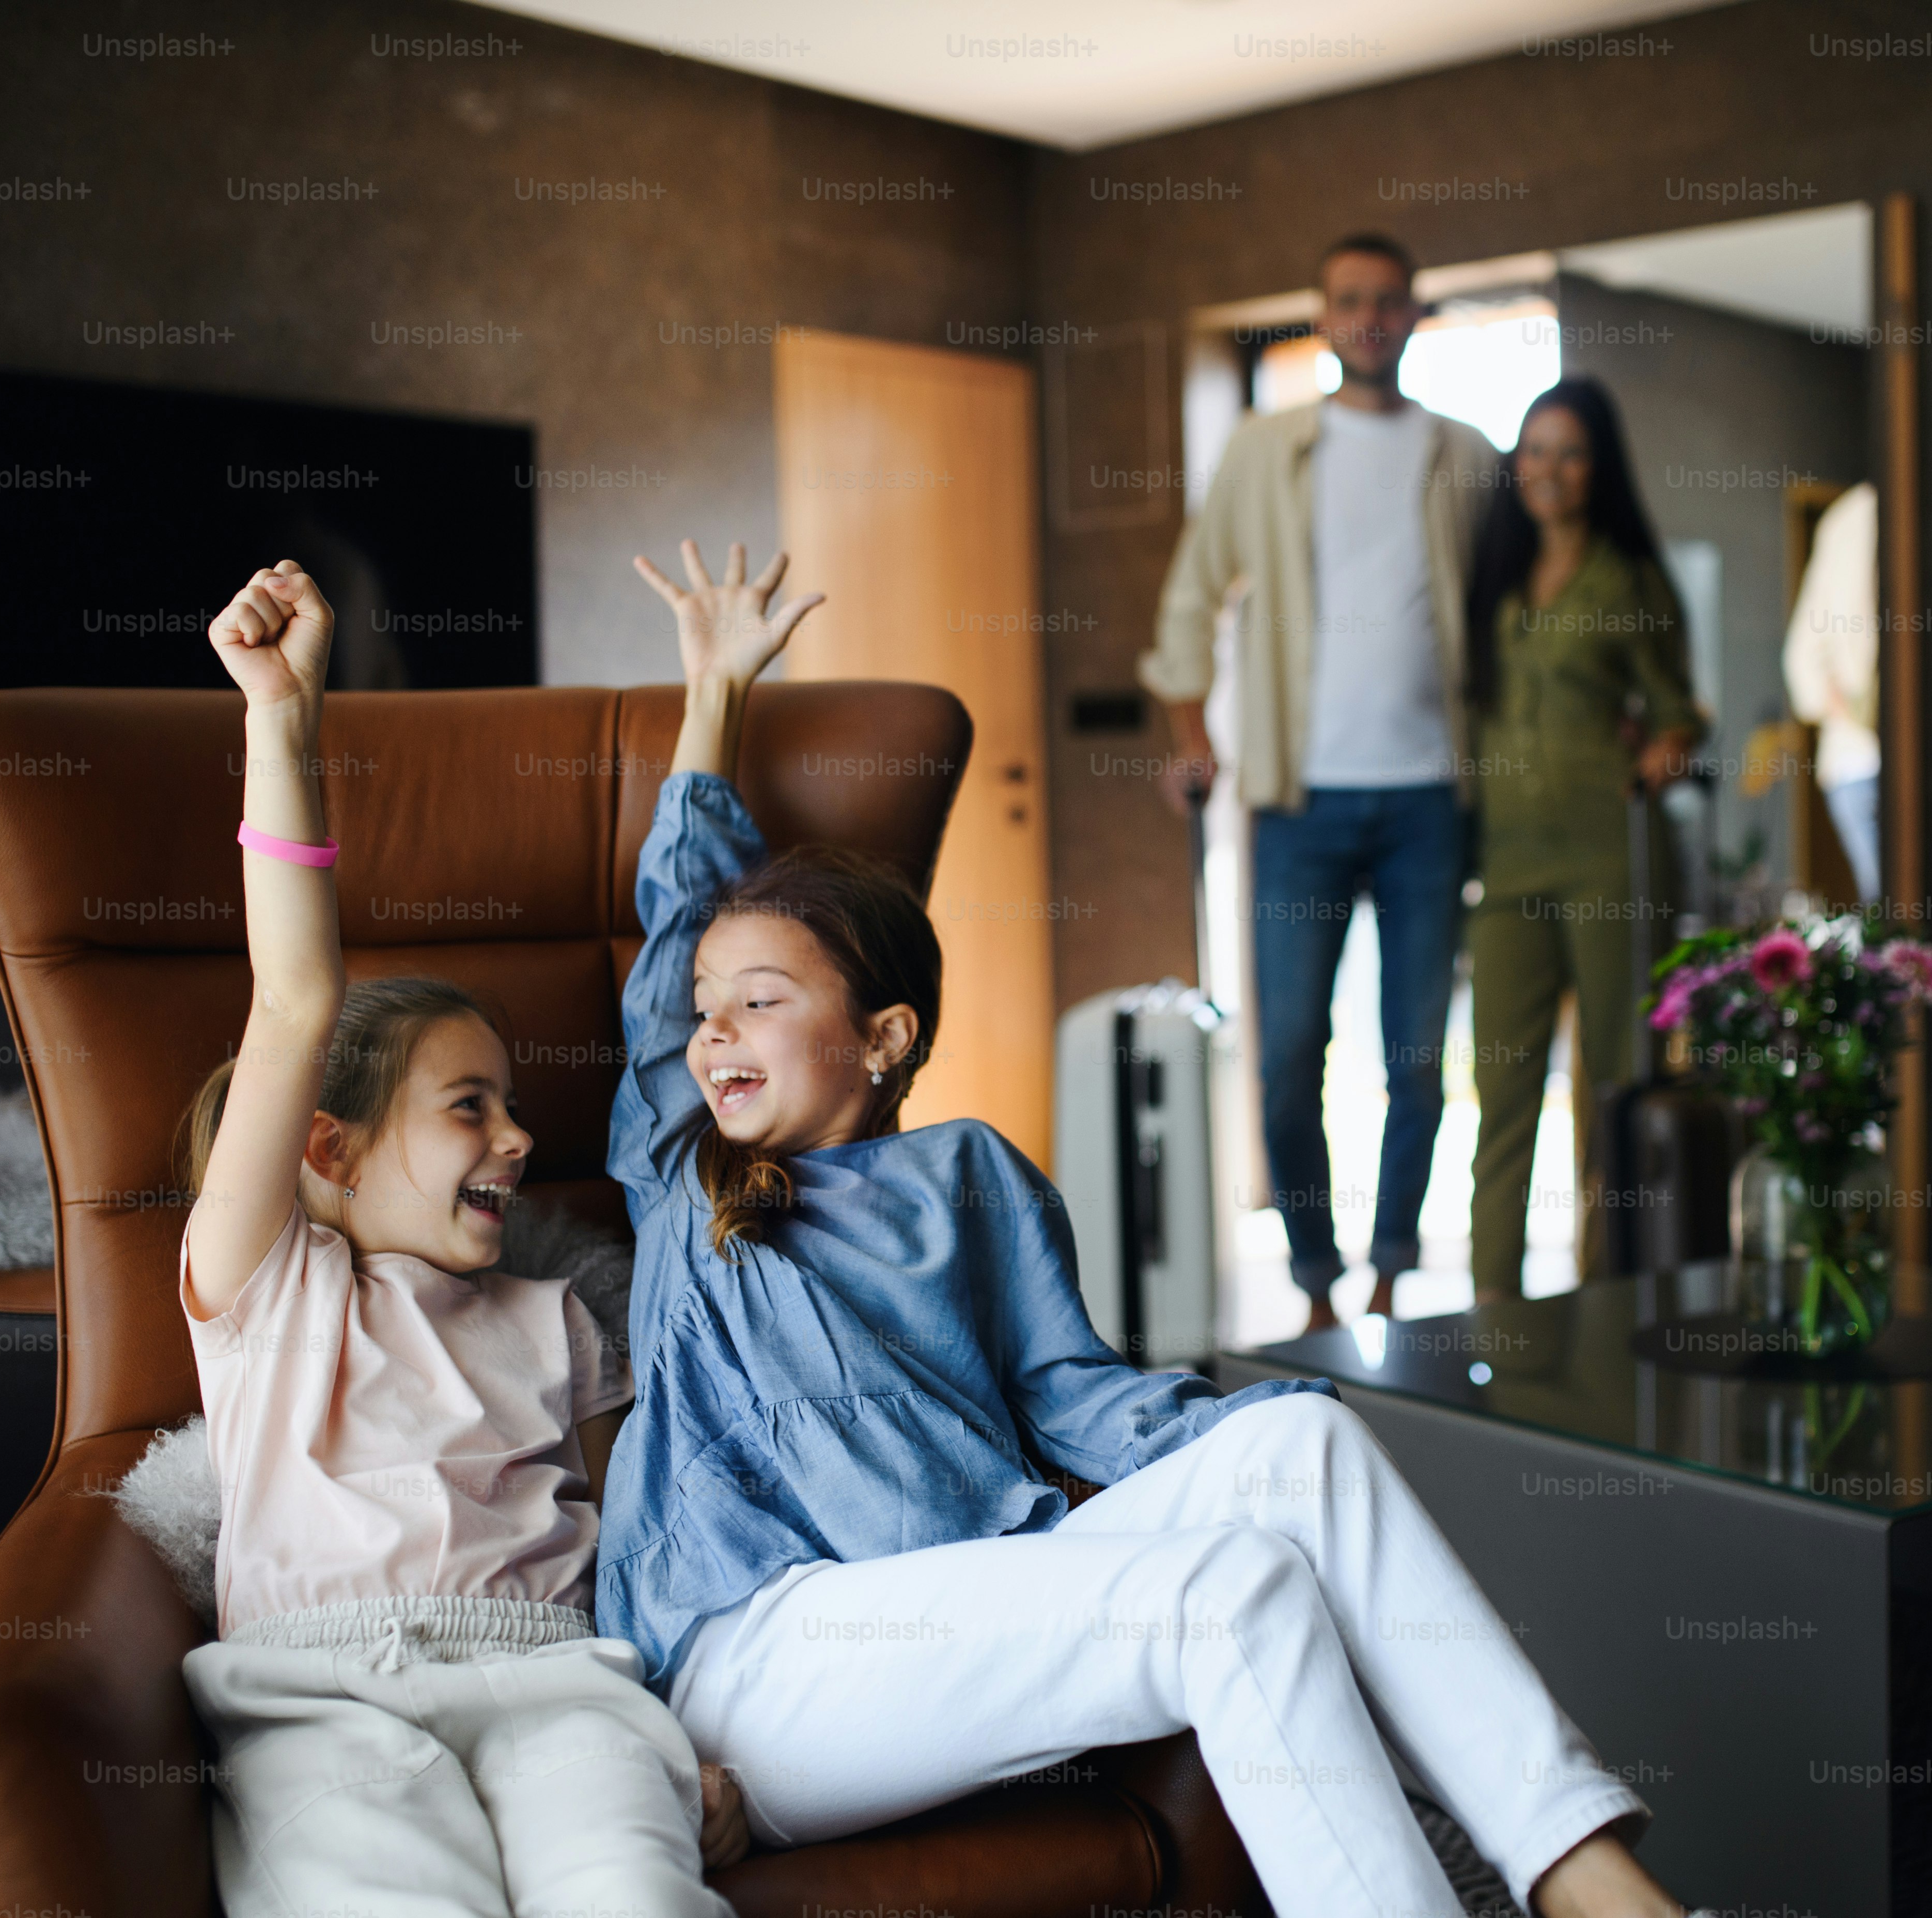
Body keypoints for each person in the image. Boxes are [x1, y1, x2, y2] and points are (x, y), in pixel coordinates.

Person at [600, 537, 1695, 1918]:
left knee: (1301, 1444)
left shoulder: (972, 1177)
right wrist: (715, 696)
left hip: (993, 1582)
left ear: (883, 1039)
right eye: (707, 1006)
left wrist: (1256, 1445)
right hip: (771, 1649)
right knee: (1219, 1596)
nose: (715, 1029)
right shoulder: (677, 1169)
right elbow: (679, 918)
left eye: (761, 1000)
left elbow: (1086, 1400)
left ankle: (1602, 1891)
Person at [174, 561, 743, 1918]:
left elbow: (642, 1543)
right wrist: (281, 722)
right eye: (468, 1107)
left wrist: (695, 1738)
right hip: (324, 1695)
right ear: (333, 1148)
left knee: (636, 1897)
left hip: (557, 1680)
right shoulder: (266, 1292)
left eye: (515, 1108)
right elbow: (296, 996)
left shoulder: (560, 1321)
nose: (517, 1139)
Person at [1140, 231, 1504, 1333]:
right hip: (1297, 801)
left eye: (1390, 300)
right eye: (1350, 300)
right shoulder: (1266, 447)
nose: (1371, 318)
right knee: (1290, 1053)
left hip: (1434, 800)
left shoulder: (1467, 454)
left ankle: (1394, 1269)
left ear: (1414, 313)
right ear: (1323, 314)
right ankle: (1314, 1279)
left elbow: (1508, 620)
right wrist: (1190, 730)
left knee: (1420, 1060)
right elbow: (1191, 595)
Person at [1463, 380, 1705, 1303]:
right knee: (1501, 1093)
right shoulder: (1494, 574)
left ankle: (1606, 1295)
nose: (1546, 470)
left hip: (1610, 859)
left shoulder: (1628, 580)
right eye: (1532, 451)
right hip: (1508, 865)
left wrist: (1660, 753)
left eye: (1567, 452)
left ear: (1596, 468)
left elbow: (1680, 714)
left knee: (1611, 1090)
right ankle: (1493, 1305)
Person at [1781, 481, 1882, 902]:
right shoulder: (1854, 520)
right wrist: (1853, 711)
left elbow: (1802, 657)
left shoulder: (1846, 519)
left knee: (1896, 919)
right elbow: (1803, 660)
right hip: (1862, 758)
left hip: (1855, 761)